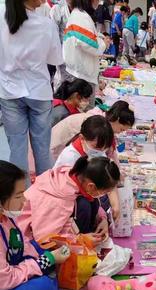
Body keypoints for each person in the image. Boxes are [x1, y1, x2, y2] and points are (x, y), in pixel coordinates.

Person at [0, 0, 63, 176]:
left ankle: (20, 197)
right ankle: (44, 193)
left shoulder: (1, 13)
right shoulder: (46, 24)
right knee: (42, 148)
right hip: (39, 91)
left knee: (17, 149)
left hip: (9, 90)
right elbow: (55, 59)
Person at [0, 161, 69, 290]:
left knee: (41, 248)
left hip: (10, 268)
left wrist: (45, 256)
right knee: (44, 288)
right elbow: (6, 279)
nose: (25, 200)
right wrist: (46, 261)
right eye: (18, 196)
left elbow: (24, 243)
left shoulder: (6, 217)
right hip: (4, 280)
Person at [18, 156, 120, 242]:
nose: (104, 195)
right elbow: (43, 239)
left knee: (91, 203)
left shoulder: (75, 174)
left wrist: (103, 219)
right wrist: (80, 239)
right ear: (91, 186)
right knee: (84, 205)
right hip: (25, 240)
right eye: (104, 192)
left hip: (46, 225)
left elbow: (90, 199)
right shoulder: (58, 202)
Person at [50, 100, 134, 160]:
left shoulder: (102, 119)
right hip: (54, 151)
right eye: (121, 129)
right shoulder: (97, 124)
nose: (120, 132)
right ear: (118, 119)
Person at [64, 0, 106, 108]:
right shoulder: (80, 16)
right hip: (81, 76)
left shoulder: (79, 15)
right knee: (84, 117)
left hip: (81, 73)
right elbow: (91, 44)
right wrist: (103, 43)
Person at [50, 0, 73, 87]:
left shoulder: (79, 8)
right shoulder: (58, 8)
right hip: (62, 50)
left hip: (75, 52)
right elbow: (54, 33)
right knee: (64, 80)